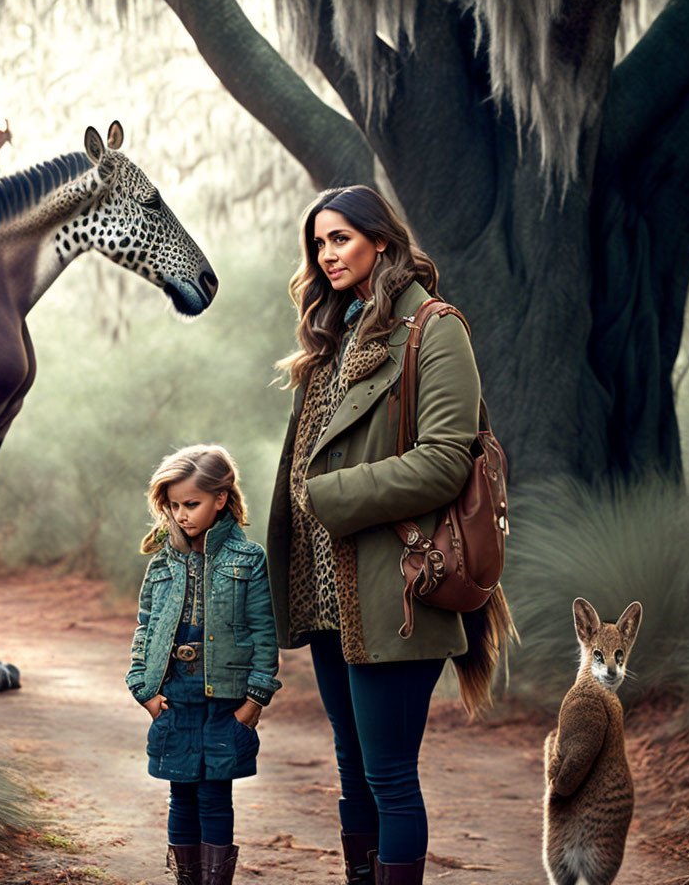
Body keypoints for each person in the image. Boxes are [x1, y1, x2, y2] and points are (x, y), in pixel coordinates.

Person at [268, 186, 512, 885]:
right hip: (324, 591)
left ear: (381, 239)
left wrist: (331, 498)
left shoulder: (436, 329)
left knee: (391, 777)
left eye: (340, 238)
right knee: (353, 767)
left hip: (394, 586)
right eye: (318, 243)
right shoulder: (334, 332)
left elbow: (443, 461)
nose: (326, 253)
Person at [126, 445, 281, 885]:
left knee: (215, 797)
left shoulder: (248, 560)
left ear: (221, 498)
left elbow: (263, 632)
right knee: (181, 797)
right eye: (173, 506)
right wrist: (144, 690)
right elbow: (144, 628)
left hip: (225, 702)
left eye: (191, 504)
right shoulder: (161, 564)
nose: (181, 515)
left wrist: (255, 700)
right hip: (174, 699)